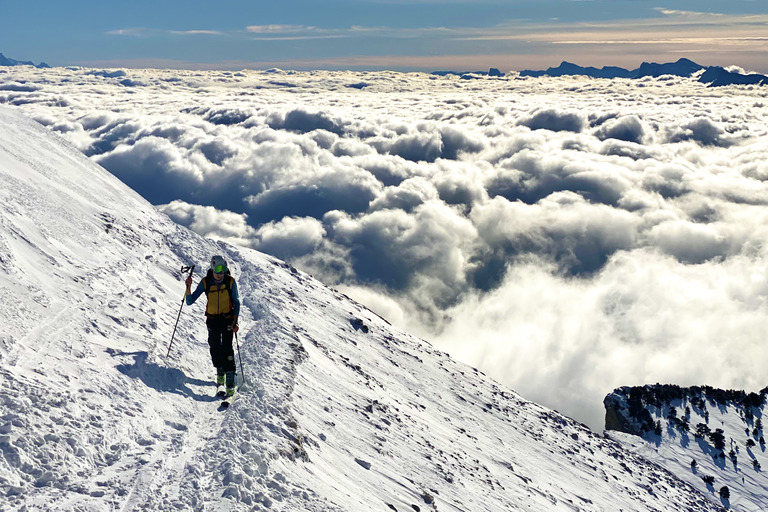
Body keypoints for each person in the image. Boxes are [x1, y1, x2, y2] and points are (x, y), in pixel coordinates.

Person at [185, 255, 240, 396]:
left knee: (227, 348)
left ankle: (230, 383)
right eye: (217, 269)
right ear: (212, 268)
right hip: (212, 320)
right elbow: (190, 301)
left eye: (223, 269)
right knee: (214, 346)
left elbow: (236, 303)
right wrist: (188, 287)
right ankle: (220, 376)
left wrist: (235, 321)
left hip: (227, 319)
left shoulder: (230, 282)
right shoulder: (205, 282)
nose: (220, 273)